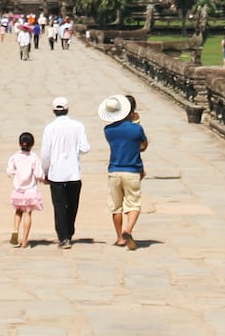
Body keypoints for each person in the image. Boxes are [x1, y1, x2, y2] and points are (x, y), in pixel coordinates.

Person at [39, 96, 90, 249]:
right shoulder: (78, 126)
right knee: (73, 205)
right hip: (73, 172)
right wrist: (73, 151)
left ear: (53, 111)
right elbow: (85, 148)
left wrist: (45, 172)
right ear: (68, 109)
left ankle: (63, 237)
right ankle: (70, 232)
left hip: (56, 173)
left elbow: (45, 154)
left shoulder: (49, 128)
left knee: (59, 206)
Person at [99, 94, 147, 250]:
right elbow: (143, 146)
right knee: (133, 204)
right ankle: (129, 229)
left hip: (114, 170)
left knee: (116, 206)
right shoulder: (136, 129)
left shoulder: (108, 130)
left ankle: (119, 237)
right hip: (132, 170)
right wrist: (136, 122)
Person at [6, 131, 44, 248]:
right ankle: (25, 240)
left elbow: (10, 171)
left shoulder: (14, 157)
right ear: (32, 144)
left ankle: (15, 230)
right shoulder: (34, 158)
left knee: (18, 211)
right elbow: (38, 174)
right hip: (30, 190)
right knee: (28, 212)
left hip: (18, 189)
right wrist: (43, 178)